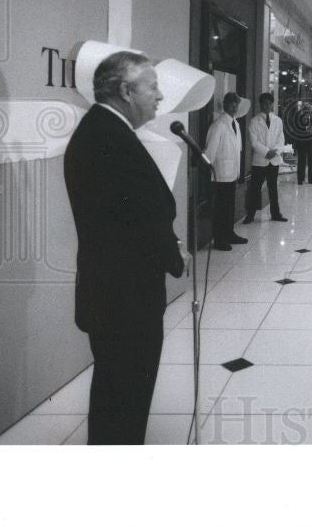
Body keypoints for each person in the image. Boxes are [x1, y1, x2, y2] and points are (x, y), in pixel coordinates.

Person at [64, 51, 186, 444]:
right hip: (123, 299)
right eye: (152, 87)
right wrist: (173, 254)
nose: (160, 97)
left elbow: (129, 213)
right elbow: (140, 219)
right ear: (125, 91)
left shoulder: (107, 131)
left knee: (120, 394)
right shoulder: (106, 138)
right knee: (123, 398)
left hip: (118, 293)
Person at [205, 92, 248, 251]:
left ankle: (229, 233)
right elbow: (210, 152)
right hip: (220, 174)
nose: (234, 107)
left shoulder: (236, 124)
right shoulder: (218, 125)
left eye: (236, 104)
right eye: (231, 103)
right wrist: (211, 170)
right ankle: (219, 239)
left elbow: (238, 150)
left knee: (229, 207)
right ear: (225, 105)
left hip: (232, 172)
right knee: (220, 209)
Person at [244, 92, 287, 224]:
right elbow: (253, 142)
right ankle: (250, 215)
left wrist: (275, 151)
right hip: (260, 160)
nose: (267, 105)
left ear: (272, 104)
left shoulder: (277, 120)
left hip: (273, 160)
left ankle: (276, 214)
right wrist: (266, 151)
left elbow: (281, 139)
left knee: (273, 188)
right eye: (264, 103)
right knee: (255, 189)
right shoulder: (254, 121)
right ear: (260, 104)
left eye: (269, 103)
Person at [289, 101, 312, 185]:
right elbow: (296, 131)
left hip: (311, 143)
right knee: (301, 162)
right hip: (301, 143)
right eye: (306, 109)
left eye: (309, 109)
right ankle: (300, 179)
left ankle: (311, 179)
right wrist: (306, 129)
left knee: (311, 162)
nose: (308, 111)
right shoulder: (299, 118)